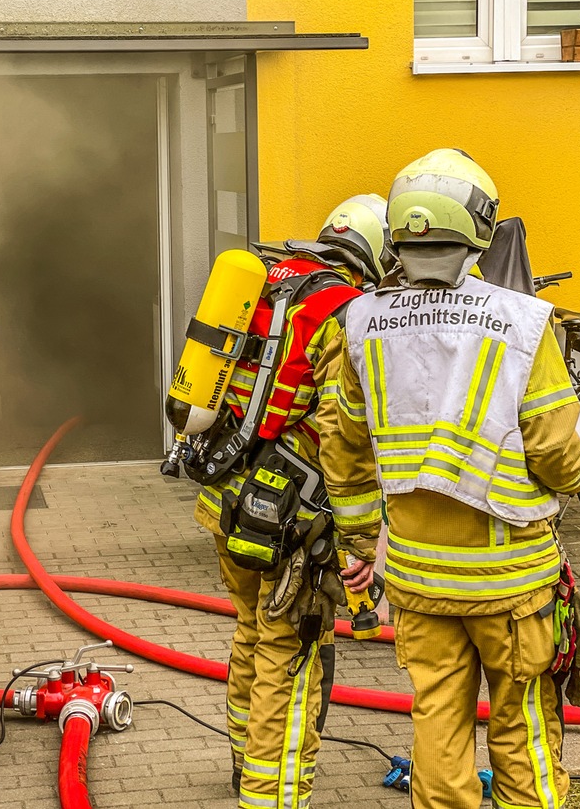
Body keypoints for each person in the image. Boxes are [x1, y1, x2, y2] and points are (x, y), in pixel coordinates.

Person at [315, 149, 580, 809]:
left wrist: (360, 547)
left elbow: (346, 452)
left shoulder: (360, 324)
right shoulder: (527, 324)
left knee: (438, 733)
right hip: (513, 582)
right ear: (481, 228)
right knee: (524, 732)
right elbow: (558, 455)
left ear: (397, 232)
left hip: (419, 582)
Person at [190, 196, 389, 809]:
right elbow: (341, 433)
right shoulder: (344, 311)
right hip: (288, 523)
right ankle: (274, 795)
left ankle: (242, 764)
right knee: (292, 652)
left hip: (224, 497)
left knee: (250, 632)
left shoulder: (270, 280)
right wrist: (362, 538)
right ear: (377, 254)